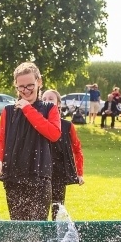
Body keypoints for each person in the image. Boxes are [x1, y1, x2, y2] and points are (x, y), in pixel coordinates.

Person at [0, 62, 61, 221]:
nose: (26, 91)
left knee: (38, 226)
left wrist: (28, 109)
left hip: (40, 176)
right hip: (13, 175)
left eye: (30, 85)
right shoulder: (8, 111)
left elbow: (54, 134)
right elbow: (1, 140)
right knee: (18, 225)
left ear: (39, 82)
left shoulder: (49, 108)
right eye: (21, 87)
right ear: (15, 86)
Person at [41, 90, 84, 220]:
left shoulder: (67, 126)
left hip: (59, 173)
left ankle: (56, 236)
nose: (47, 101)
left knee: (57, 207)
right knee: (40, 209)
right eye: (44, 98)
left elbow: (77, 149)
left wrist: (79, 173)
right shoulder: (36, 123)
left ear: (58, 104)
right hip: (40, 172)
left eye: (51, 99)